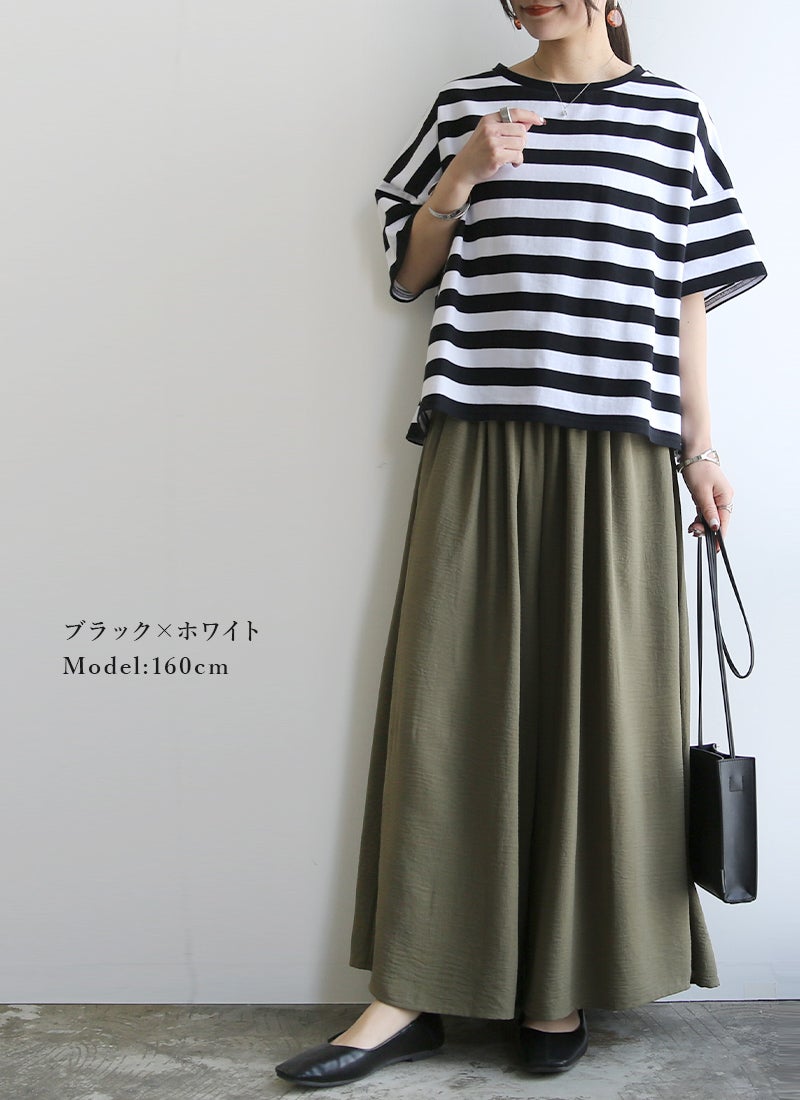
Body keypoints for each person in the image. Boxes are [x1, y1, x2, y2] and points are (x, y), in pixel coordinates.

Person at [275, 0, 767, 1087]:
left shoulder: (671, 116)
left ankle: (561, 978)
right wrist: (461, 172)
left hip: (620, 449)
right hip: (479, 430)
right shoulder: (465, 104)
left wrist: (699, 450)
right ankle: (409, 991)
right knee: (448, 701)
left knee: (606, 709)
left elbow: (688, 295)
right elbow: (410, 271)